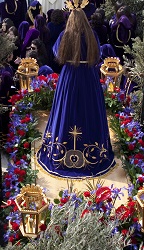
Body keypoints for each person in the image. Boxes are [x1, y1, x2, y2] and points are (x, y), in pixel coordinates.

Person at [37, 9, 114, 179]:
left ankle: (59, 152)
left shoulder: (66, 34)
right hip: (88, 78)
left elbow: (56, 53)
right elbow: (98, 54)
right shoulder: (92, 34)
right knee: (90, 109)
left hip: (69, 77)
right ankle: (94, 154)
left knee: (66, 109)